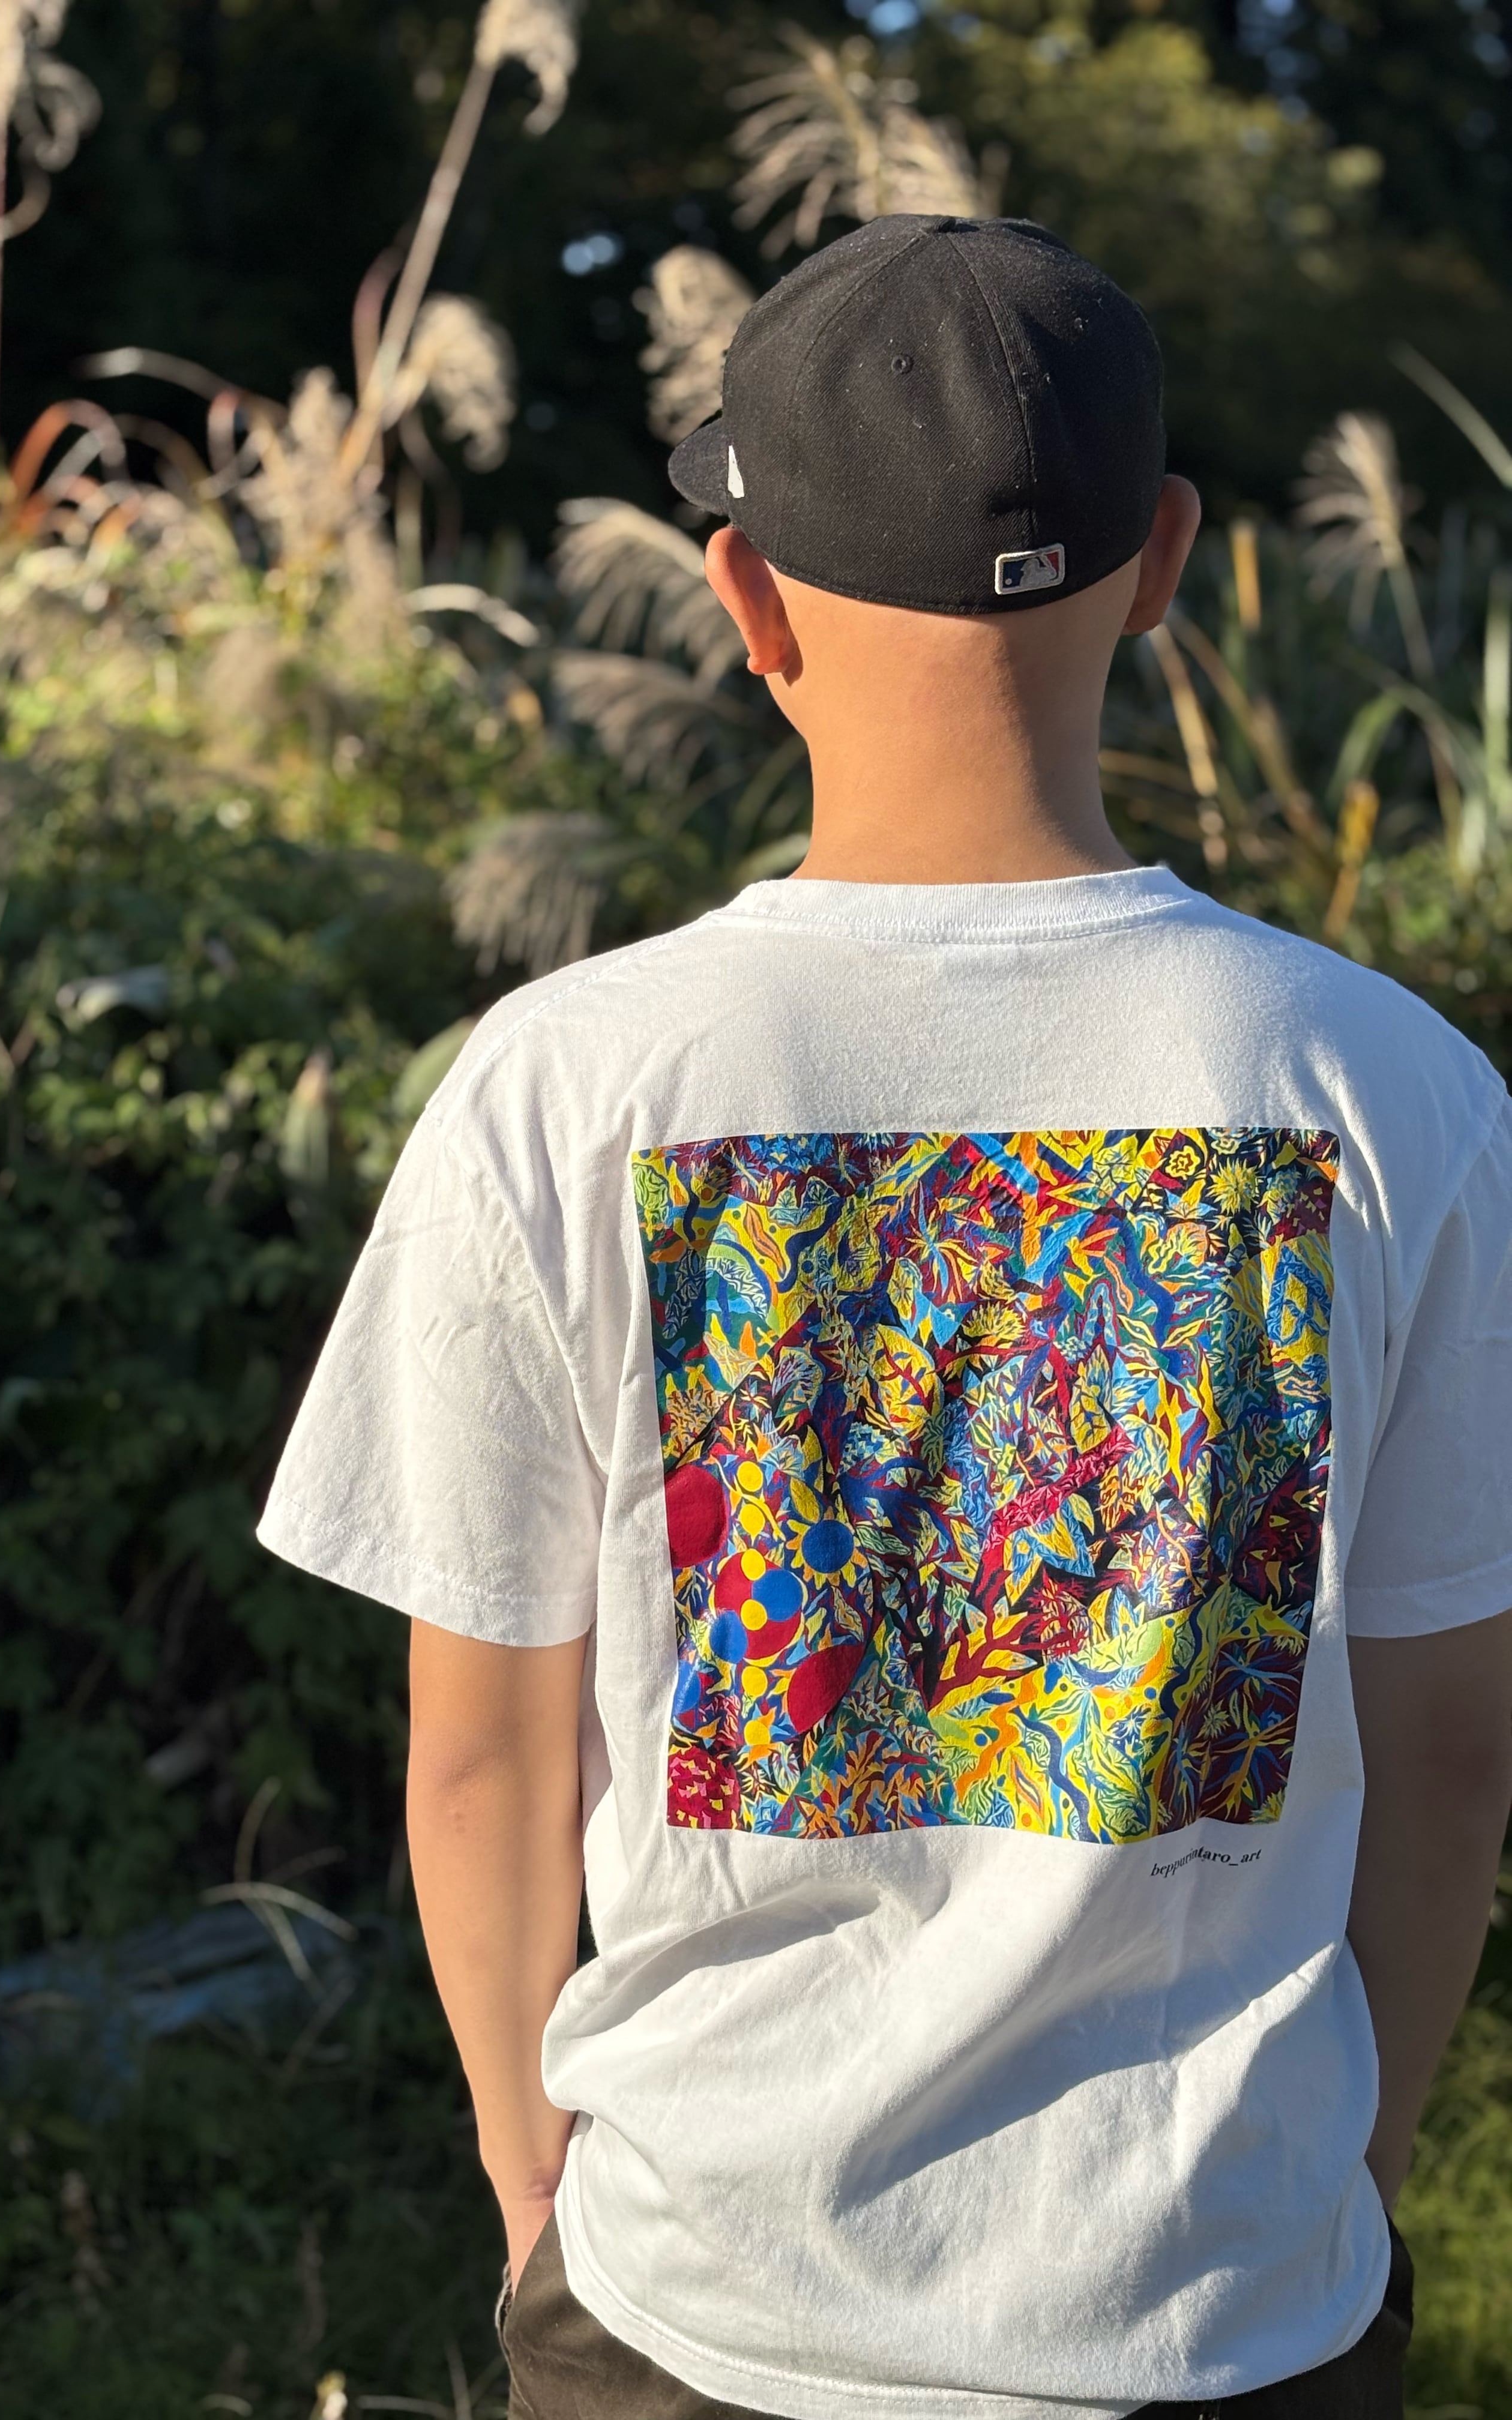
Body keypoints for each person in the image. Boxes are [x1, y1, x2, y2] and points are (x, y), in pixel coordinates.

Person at [258, 215, 1512, 2420]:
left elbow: (482, 1751)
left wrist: (536, 2197)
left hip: (705, 2303)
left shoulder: (566, 1083)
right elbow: (1453, 1745)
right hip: (1231, 2306)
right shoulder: (1393, 1089)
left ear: (743, 601)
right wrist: (1355, 2178)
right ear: (1167, 561)